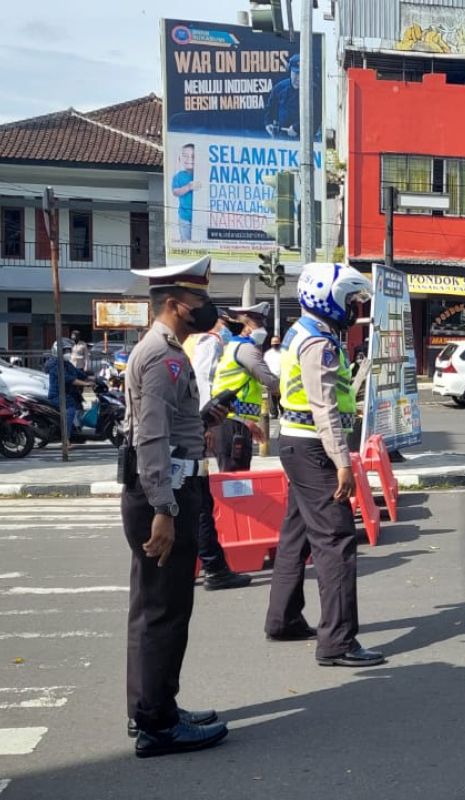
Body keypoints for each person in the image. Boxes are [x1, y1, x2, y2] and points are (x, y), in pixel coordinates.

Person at [122, 255, 229, 757]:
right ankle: (159, 725)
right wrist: (164, 507)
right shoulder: (163, 356)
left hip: (156, 488)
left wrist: (205, 416)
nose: (206, 309)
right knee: (165, 611)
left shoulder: (162, 352)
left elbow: (168, 424)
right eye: (199, 301)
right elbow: (152, 437)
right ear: (174, 304)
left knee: (150, 607)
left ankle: (150, 707)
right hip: (162, 493)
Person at [265, 262, 384, 667]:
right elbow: (324, 408)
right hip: (315, 448)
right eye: (350, 300)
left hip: (296, 446)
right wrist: (342, 463)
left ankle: (283, 618)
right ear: (330, 299)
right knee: (336, 541)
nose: (354, 308)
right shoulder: (320, 343)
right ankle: (337, 641)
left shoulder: (302, 331)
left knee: (296, 533)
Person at [182, 313, 251, 592]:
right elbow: (203, 381)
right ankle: (213, 567)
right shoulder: (209, 342)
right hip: (193, 427)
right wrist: (206, 421)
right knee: (199, 503)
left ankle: (202, 564)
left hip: (184, 428)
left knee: (193, 501)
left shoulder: (188, 341)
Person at [211, 302, 279, 472]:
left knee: (235, 476)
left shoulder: (234, 346)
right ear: (246, 326)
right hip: (232, 424)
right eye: (258, 322)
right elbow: (270, 382)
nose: (263, 328)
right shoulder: (246, 349)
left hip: (234, 421)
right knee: (235, 481)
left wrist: (248, 422)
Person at [45, 339, 92, 441]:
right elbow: (68, 379)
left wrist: (93, 378)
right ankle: (66, 438)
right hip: (57, 395)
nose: (67, 353)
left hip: (67, 393)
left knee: (82, 403)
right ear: (57, 351)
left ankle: (76, 428)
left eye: (68, 351)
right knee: (71, 409)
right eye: (64, 351)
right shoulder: (55, 364)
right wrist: (86, 384)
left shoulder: (66, 363)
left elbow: (78, 373)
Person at [264, 54, 302, 139]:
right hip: (282, 138)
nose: (298, 78)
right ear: (290, 71)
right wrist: (268, 123)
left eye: (301, 74)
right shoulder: (279, 88)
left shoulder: (313, 90)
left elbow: (316, 116)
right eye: (296, 73)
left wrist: (297, 128)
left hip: (305, 139)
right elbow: (270, 108)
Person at [171, 144, 199, 241]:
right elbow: (175, 192)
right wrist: (188, 187)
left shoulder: (201, 174)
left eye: (193, 156)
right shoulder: (178, 176)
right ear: (180, 158)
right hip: (184, 217)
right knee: (186, 243)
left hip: (201, 217)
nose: (189, 159)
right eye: (185, 155)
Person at [263, 335, 283, 417]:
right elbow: (265, 366)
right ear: (271, 344)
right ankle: (274, 413)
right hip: (271, 378)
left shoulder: (284, 353)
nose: (275, 344)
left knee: (282, 397)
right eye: (273, 342)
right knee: (272, 398)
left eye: (277, 342)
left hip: (282, 378)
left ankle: (283, 412)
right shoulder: (268, 354)